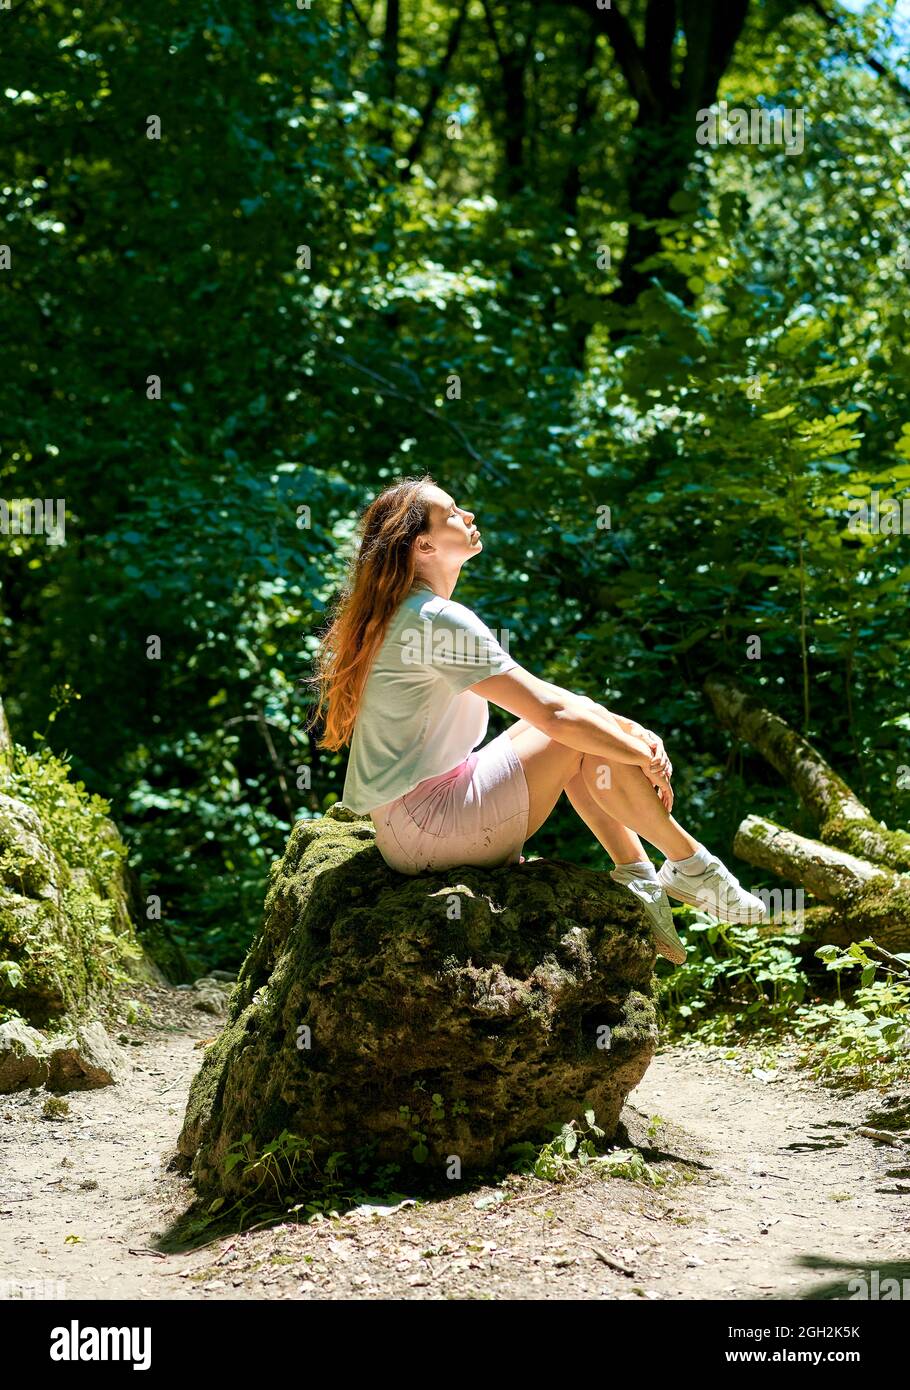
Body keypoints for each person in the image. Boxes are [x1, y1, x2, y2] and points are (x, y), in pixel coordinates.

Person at [307, 474, 765, 966]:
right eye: (453, 513)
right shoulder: (436, 619)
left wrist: (629, 732)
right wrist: (641, 755)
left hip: (408, 828)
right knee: (574, 735)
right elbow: (553, 715)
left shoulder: (409, 612)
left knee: (585, 723)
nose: (469, 516)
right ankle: (692, 865)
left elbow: (559, 702)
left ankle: (642, 876)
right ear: (424, 544)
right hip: (431, 827)